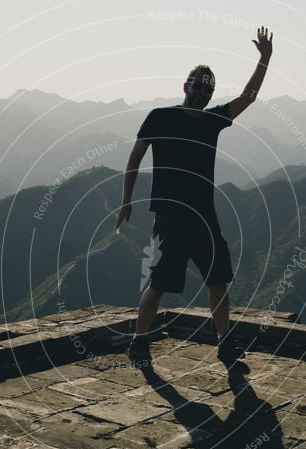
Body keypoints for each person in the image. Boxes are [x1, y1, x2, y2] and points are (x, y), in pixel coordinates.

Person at [116, 26, 273, 373]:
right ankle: (139, 343)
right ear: (185, 86)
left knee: (218, 279)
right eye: (197, 84)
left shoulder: (213, 121)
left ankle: (225, 344)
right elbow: (134, 159)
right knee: (159, 283)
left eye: (208, 87)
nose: (202, 90)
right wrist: (126, 201)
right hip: (171, 215)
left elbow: (247, 97)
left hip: (205, 214)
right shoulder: (160, 116)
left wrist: (264, 60)